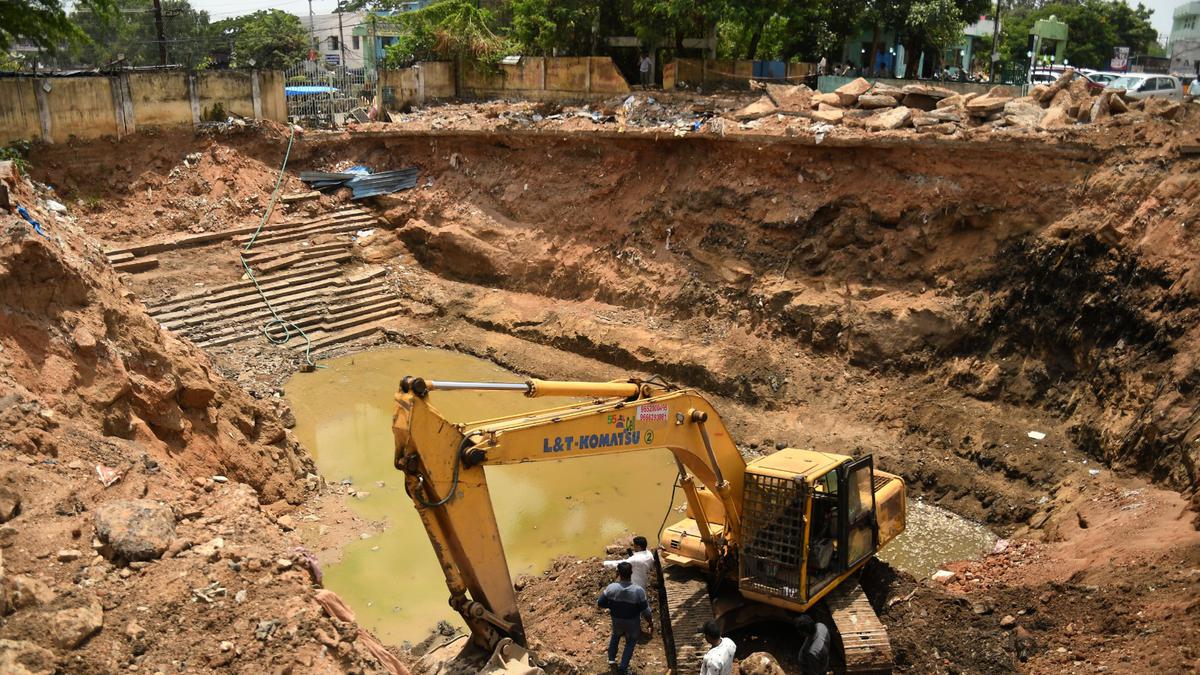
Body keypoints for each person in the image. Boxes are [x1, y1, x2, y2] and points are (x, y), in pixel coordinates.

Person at [598, 561, 653, 673]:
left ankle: (611, 660)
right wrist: (650, 622)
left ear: (618, 573)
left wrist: (612, 606)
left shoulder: (611, 588)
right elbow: (645, 610)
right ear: (631, 573)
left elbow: (600, 602)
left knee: (615, 636)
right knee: (631, 642)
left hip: (616, 620)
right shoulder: (638, 591)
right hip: (632, 622)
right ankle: (623, 668)